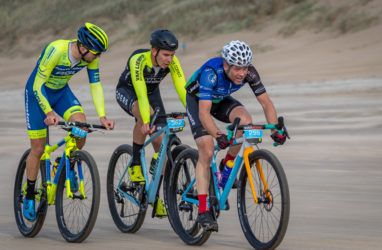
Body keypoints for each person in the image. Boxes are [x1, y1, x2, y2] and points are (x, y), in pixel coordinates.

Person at [185, 40, 287, 231]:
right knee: (207, 150)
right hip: (198, 101)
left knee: (246, 122)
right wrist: (218, 135)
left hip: (220, 99)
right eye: (238, 68)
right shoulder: (211, 73)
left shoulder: (249, 72)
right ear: (226, 64)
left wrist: (276, 130)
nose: (242, 73)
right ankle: (203, 210)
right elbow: (204, 113)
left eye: (245, 68)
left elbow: (266, 103)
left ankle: (227, 165)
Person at [23, 22, 115, 221]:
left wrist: (102, 116)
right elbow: (38, 85)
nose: (98, 57)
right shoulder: (56, 50)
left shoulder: (89, 57)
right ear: (83, 47)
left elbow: (95, 85)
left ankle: (65, 164)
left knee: (81, 127)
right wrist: (48, 111)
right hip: (37, 94)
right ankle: (29, 194)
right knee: (38, 149)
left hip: (61, 93)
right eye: (97, 53)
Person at [115, 29, 186, 217]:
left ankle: (155, 196)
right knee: (146, 115)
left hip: (152, 94)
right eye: (165, 55)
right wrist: (146, 120)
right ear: (154, 51)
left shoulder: (172, 62)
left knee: (161, 142)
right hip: (129, 92)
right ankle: (136, 164)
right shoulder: (138, 60)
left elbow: (183, 89)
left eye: (172, 55)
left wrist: (196, 114)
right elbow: (140, 92)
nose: (169, 59)